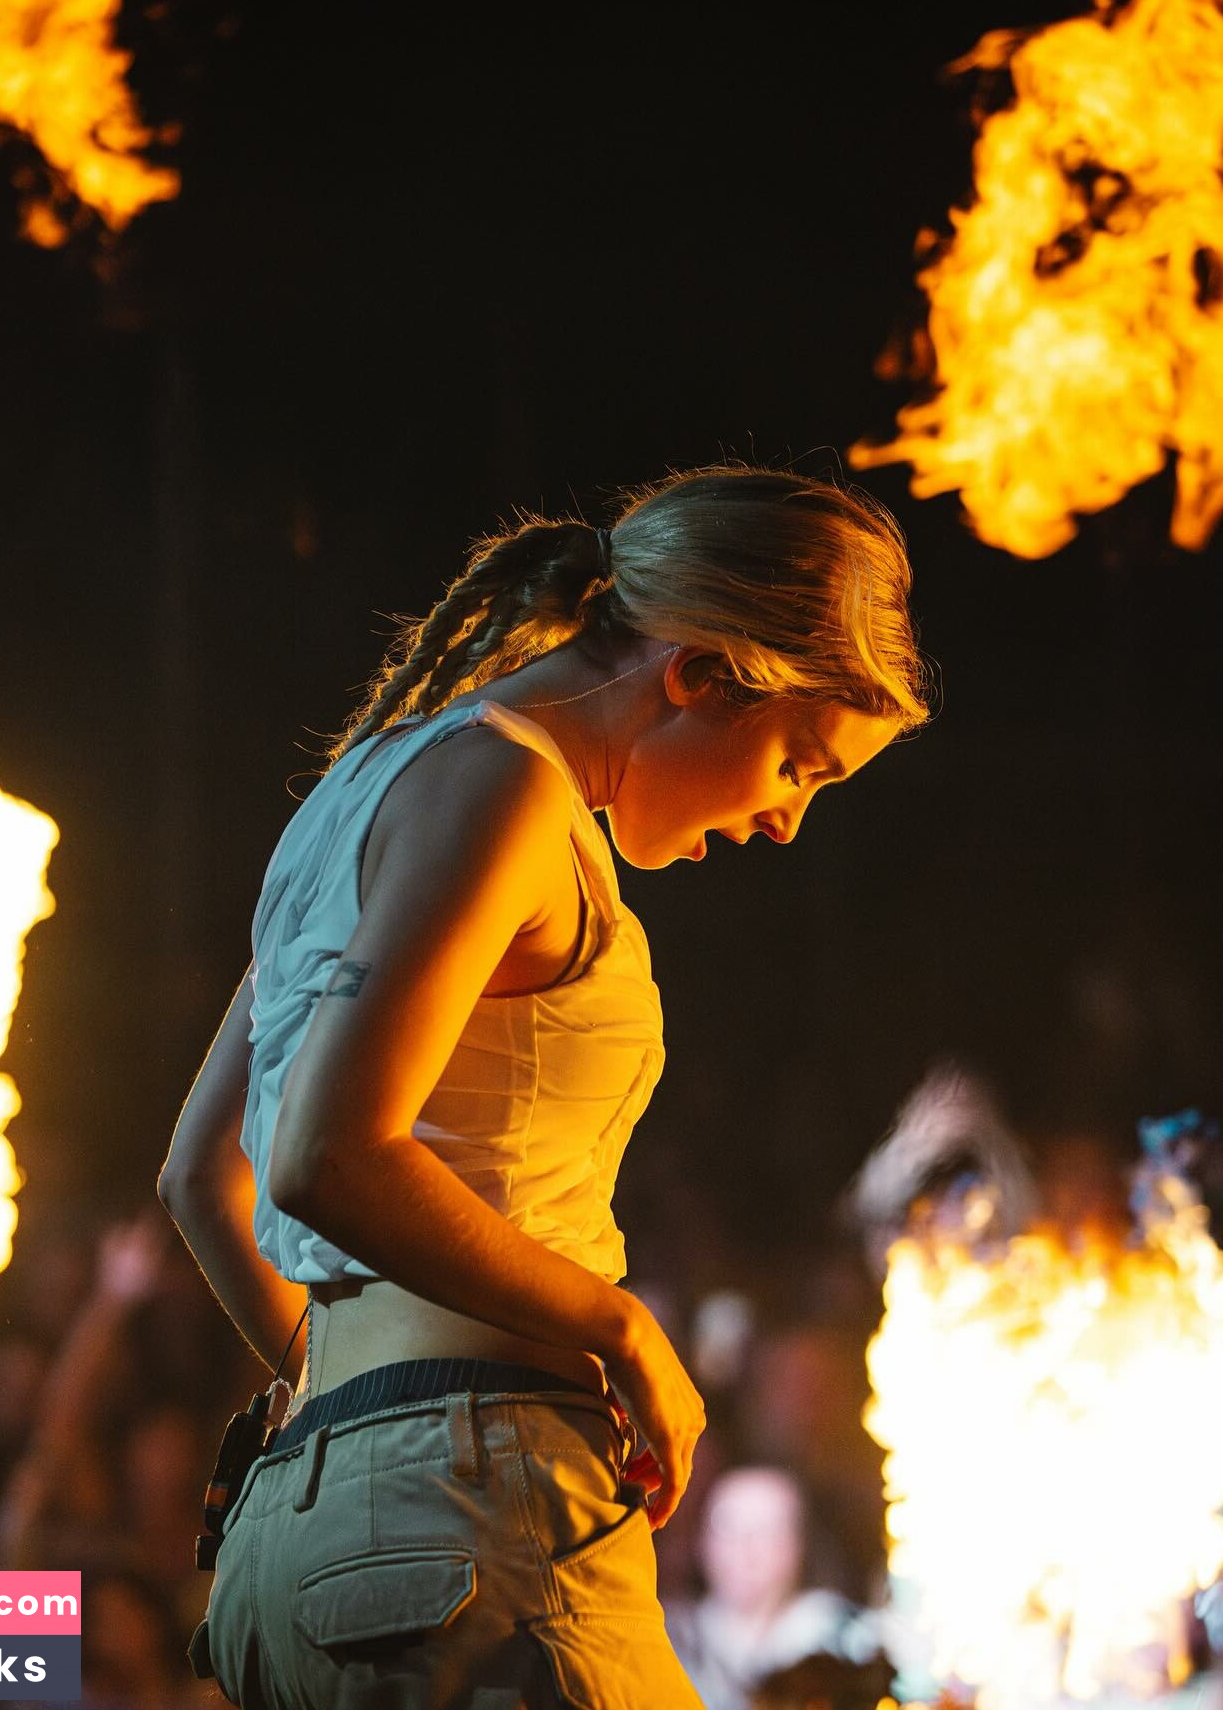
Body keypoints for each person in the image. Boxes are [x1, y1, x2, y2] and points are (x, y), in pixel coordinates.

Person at [158, 464, 930, 1709]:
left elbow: (205, 1173)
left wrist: (353, 1420)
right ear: (699, 674)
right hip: (471, 1515)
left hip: (308, 1529)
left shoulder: (366, 791)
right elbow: (324, 1157)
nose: (789, 820)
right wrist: (616, 1326)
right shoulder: (510, 790)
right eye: (800, 762)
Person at [665, 1466, 877, 1710]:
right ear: (700, 1541)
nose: (744, 1548)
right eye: (725, 1526)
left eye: (768, 1530)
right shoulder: (668, 1641)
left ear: (798, 1546)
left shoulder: (847, 1641)